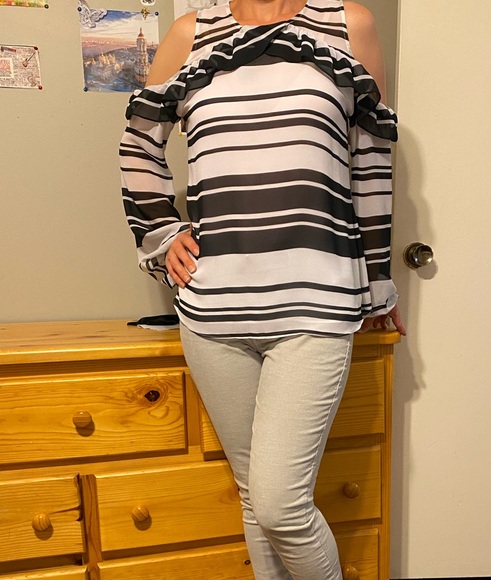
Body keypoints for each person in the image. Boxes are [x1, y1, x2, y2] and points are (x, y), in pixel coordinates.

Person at [120, 0, 406, 577]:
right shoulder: (189, 33)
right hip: (213, 310)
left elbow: (371, 163)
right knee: (255, 497)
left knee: (281, 505)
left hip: (315, 306)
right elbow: (139, 144)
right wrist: (162, 233)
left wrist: (378, 283)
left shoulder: (350, 24)